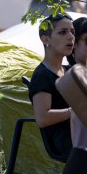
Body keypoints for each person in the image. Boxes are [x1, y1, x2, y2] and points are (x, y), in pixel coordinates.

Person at [28, 13, 74, 162]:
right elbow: (42, 118)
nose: (70, 37)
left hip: (79, 133)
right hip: (65, 142)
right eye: (62, 32)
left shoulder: (68, 70)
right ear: (46, 39)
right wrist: (74, 112)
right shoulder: (43, 75)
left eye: (72, 32)